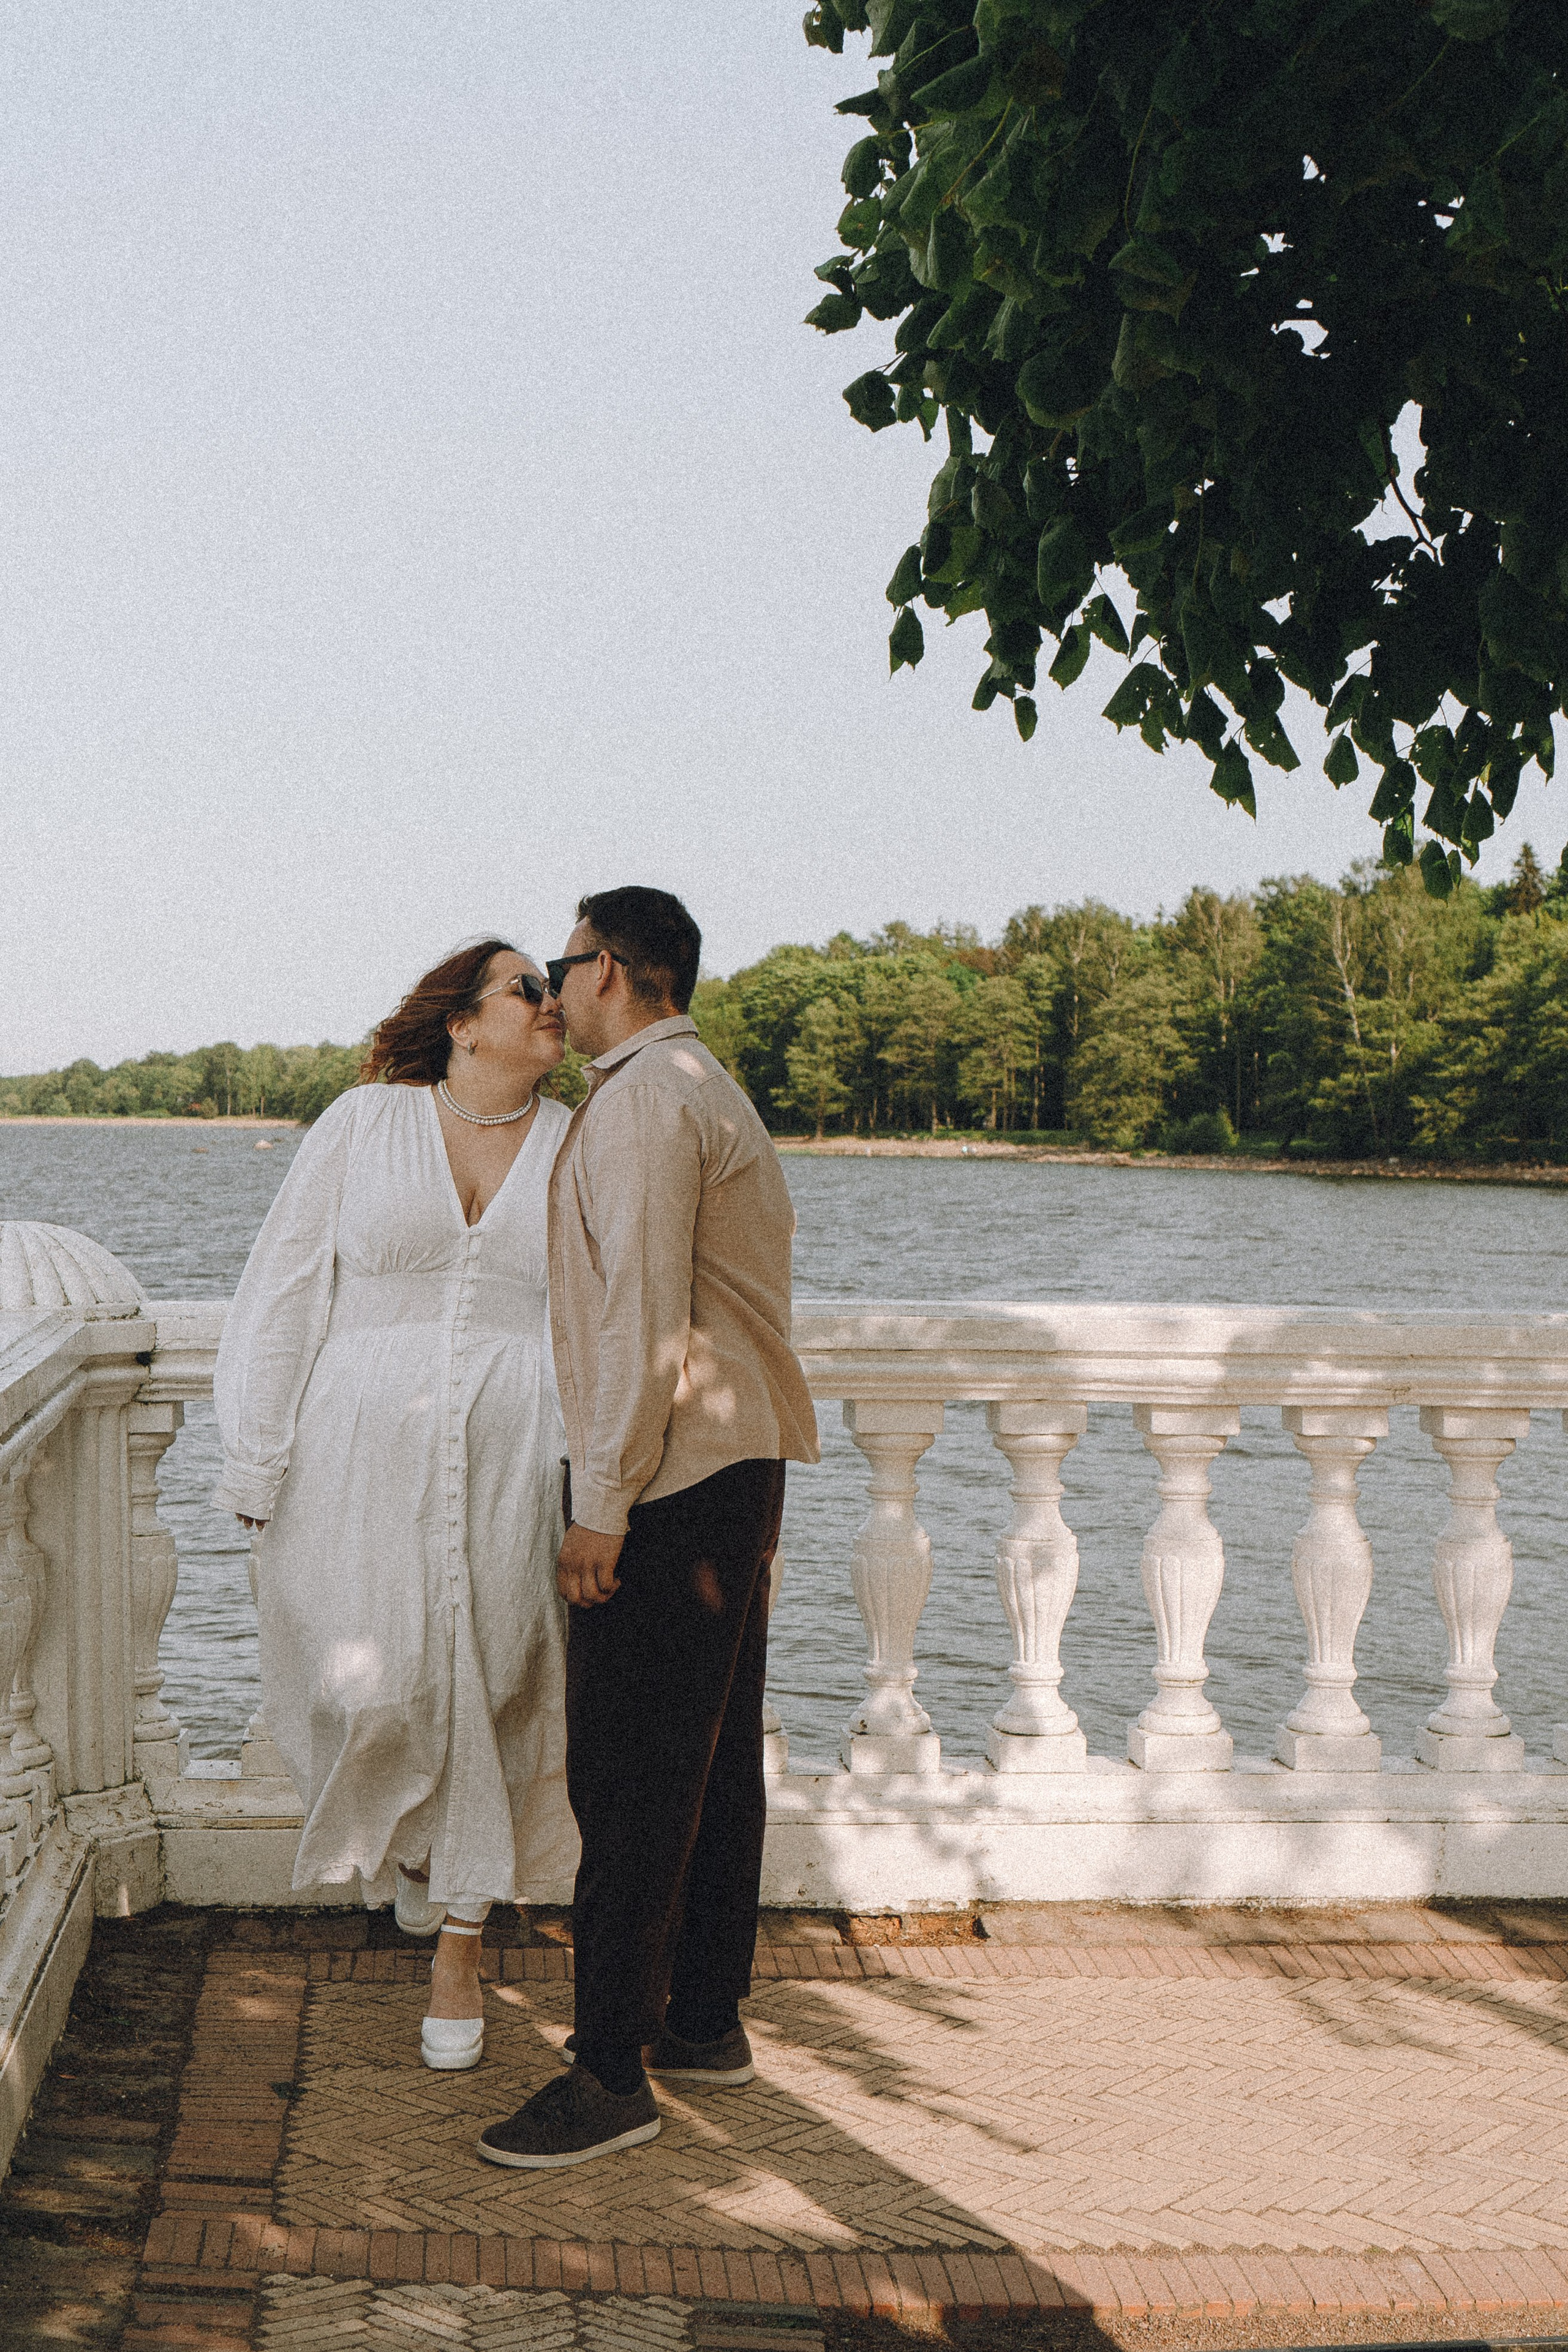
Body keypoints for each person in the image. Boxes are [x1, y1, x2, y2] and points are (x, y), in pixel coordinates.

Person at [477, 887, 820, 2173]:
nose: (552, 989)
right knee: (712, 1764)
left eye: (561, 966)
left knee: (626, 1782)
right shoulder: (696, 1086)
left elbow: (638, 1324)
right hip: (730, 1470)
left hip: (671, 1480)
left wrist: (599, 1505)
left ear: (610, 969)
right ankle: (700, 2020)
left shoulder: (639, 1105)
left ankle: (608, 2073)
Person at [212, 939, 579, 2071]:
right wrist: (256, 1460)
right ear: (462, 1022)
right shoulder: (363, 1125)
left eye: (558, 985)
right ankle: (427, 1856)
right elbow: (281, 1289)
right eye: (528, 986)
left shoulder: (575, 1146)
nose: (552, 1001)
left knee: (500, 1682)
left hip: (519, 1451)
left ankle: (461, 1944)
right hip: (354, 1455)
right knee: (370, 1686)